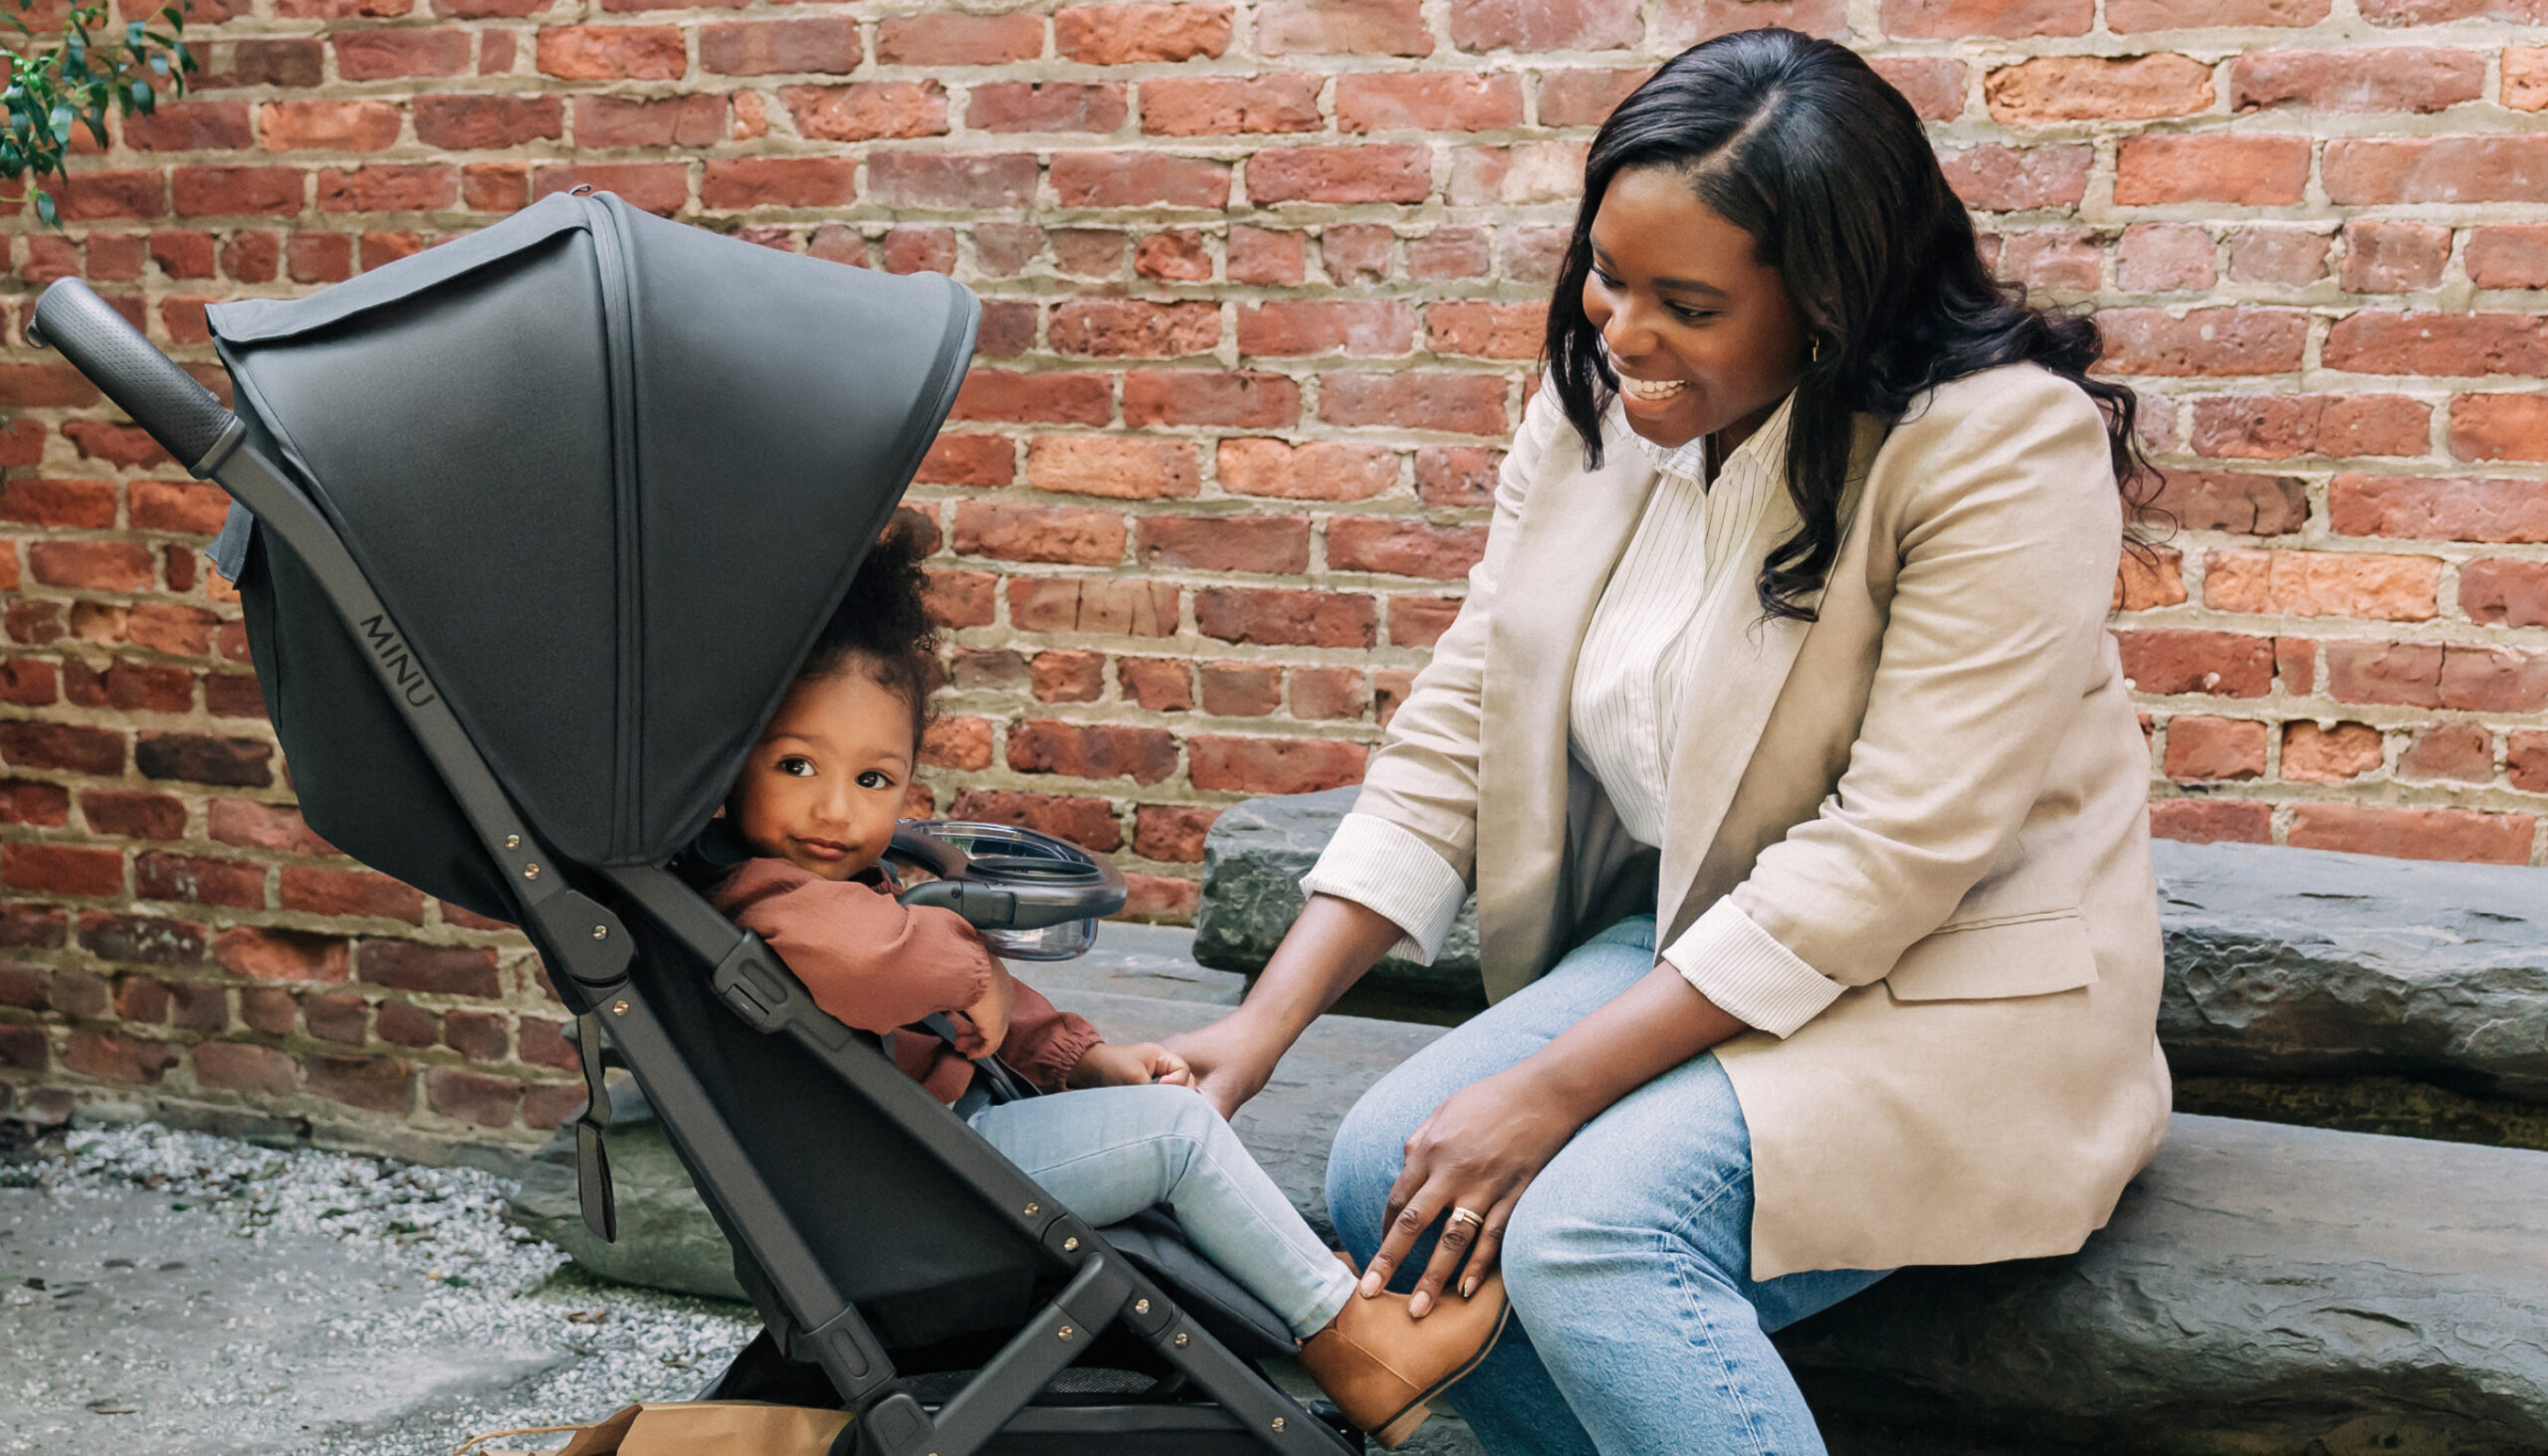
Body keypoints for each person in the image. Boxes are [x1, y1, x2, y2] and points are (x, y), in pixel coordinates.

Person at [1163, 29, 2174, 1456]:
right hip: (1710, 940)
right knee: (1382, 1168)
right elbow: (1464, 714)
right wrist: (1259, 1028)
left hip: (1955, 983)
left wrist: (1550, 1088)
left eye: (1686, 301)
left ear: (1828, 296)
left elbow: (1893, 854)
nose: (1624, 330)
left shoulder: (2000, 448)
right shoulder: (1595, 412)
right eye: (1608, 273)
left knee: (1590, 1230)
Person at [698, 522, 1509, 1448]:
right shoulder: (771, 897)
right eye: (796, 766)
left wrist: (1085, 1058)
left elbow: (981, 1003)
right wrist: (970, 964)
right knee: (1179, 1134)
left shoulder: (840, 887)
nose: (835, 809)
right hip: (915, 1188)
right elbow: (886, 966)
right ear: (732, 768)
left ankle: (1352, 1349)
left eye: (875, 778)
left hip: (920, 1164)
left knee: (1160, 1122)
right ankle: (1353, 1336)